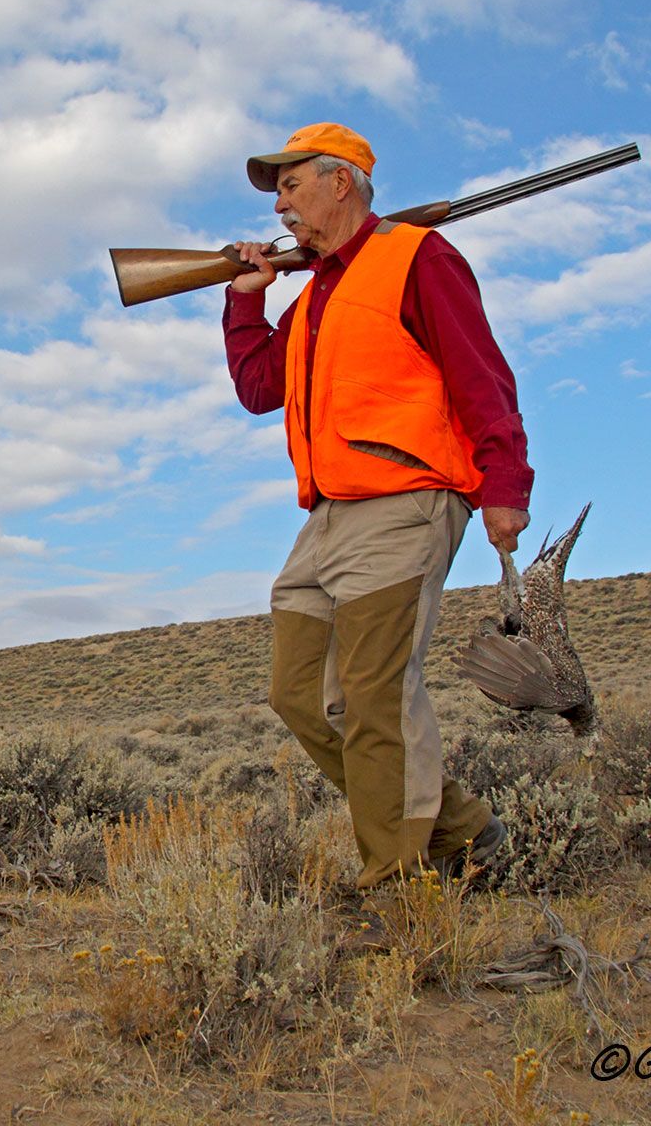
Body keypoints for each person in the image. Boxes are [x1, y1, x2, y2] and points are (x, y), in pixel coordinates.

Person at [222, 122, 532, 889]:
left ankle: (395, 885)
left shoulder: (417, 258)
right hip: (325, 515)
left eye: (290, 186)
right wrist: (243, 300)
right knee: (300, 696)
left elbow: (480, 373)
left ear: (341, 182)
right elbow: (262, 388)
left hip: (405, 500)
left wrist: (504, 485)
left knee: (374, 696)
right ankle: (463, 829)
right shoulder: (318, 292)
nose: (281, 208)